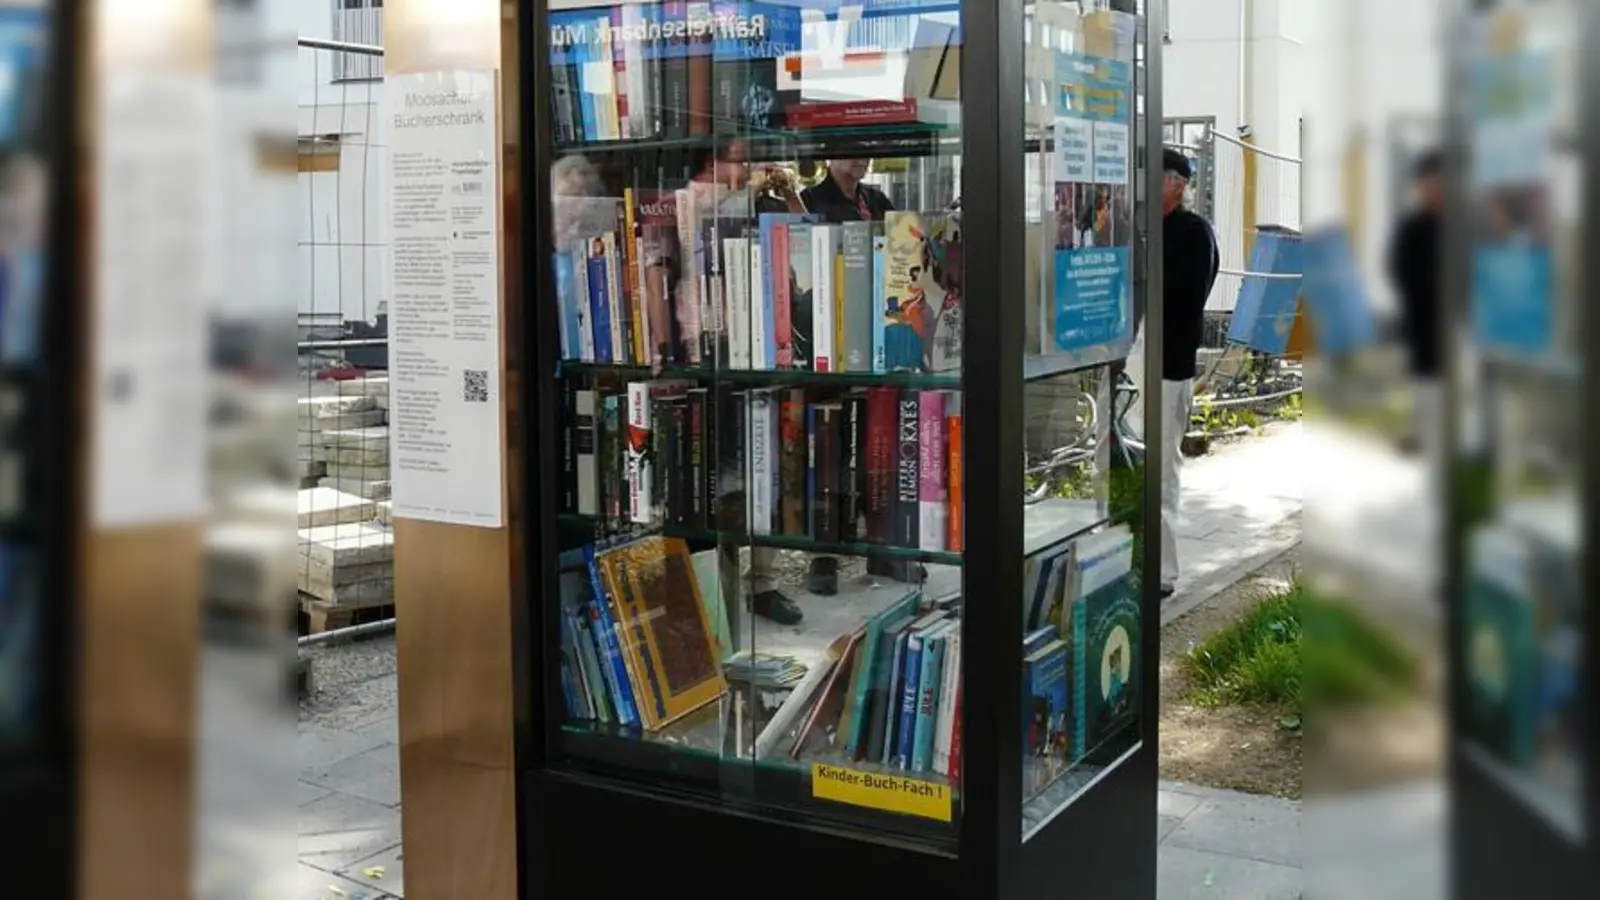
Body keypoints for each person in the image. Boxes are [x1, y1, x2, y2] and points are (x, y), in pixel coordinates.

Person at [1151, 148, 1220, 598]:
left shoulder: (1194, 234)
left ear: (1177, 183)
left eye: (1151, 177)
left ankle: (1161, 572)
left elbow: (1181, 297)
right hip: (1124, 366)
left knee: (1160, 472)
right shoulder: (1133, 229)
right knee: (1117, 472)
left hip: (1166, 368)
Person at [1386, 149, 1442, 458]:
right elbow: (1400, 272)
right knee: (1428, 388)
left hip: (1459, 329)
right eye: (1430, 182)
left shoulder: (1459, 227)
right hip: (1424, 325)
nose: (1436, 189)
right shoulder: (1412, 228)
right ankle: (1426, 441)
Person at [800, 158, 894, 223]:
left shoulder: (877, 199)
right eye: (853, 149)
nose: (863, 159)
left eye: (867, 149)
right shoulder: (808, 200)